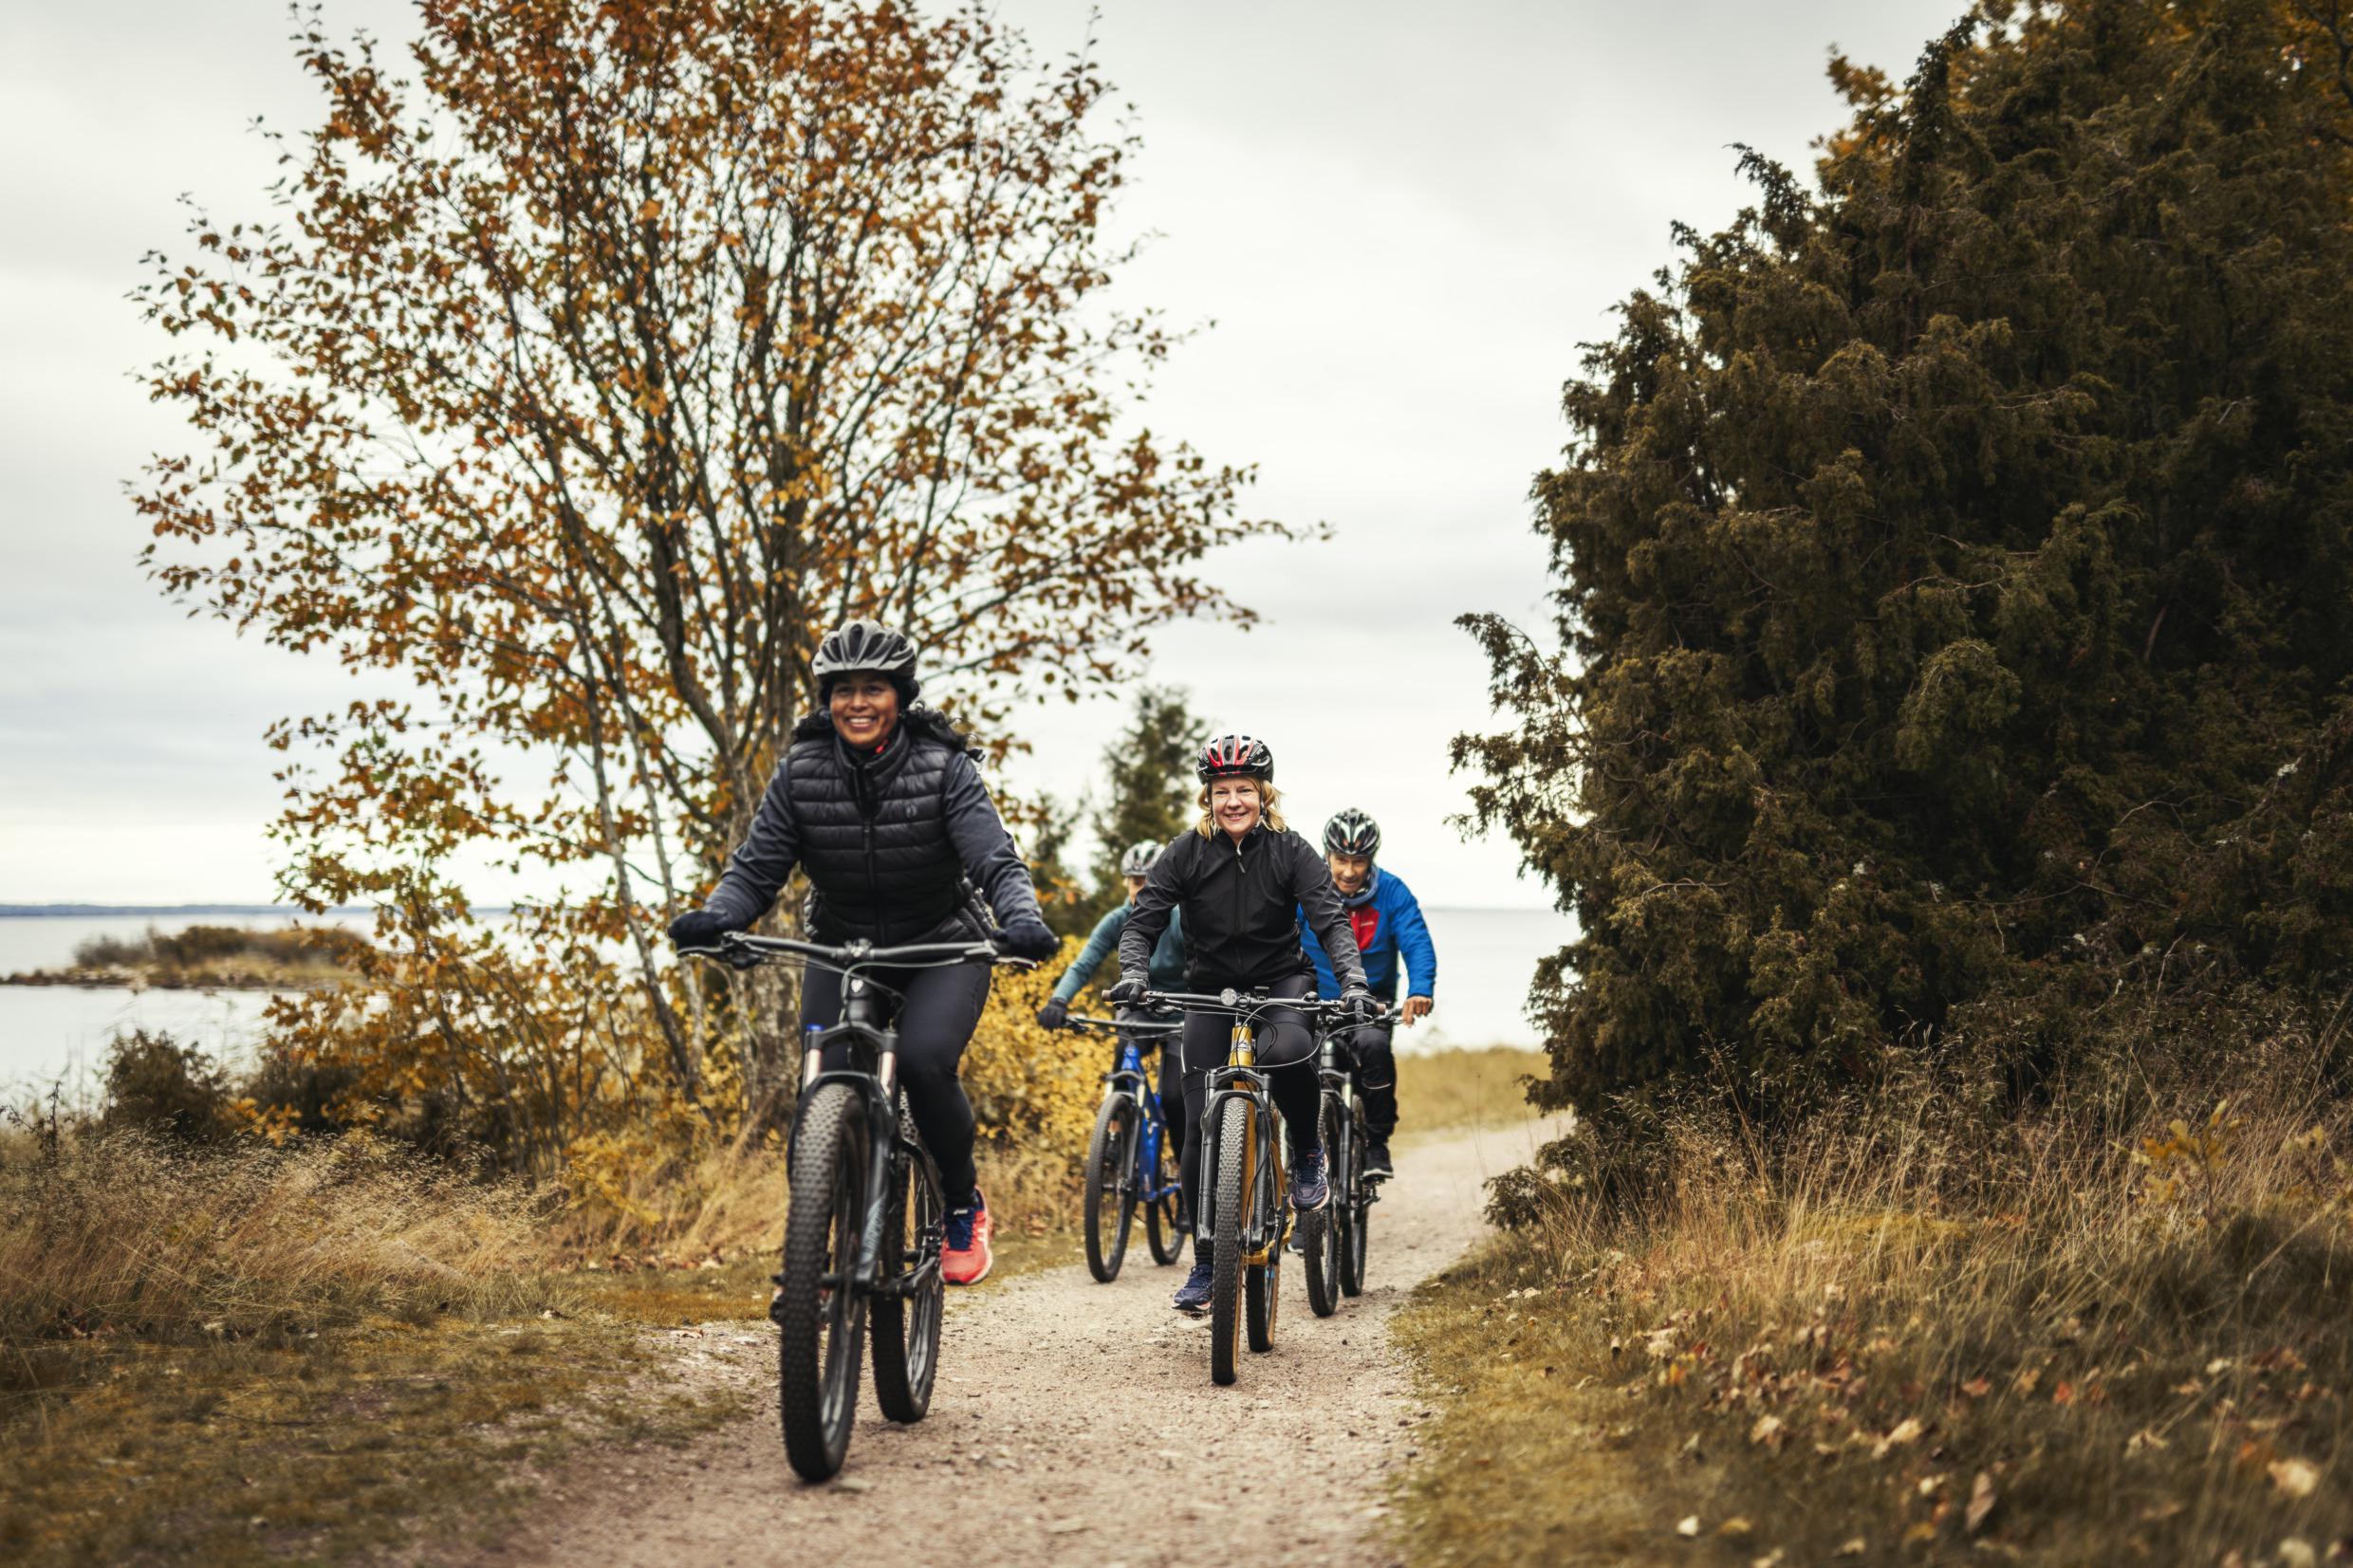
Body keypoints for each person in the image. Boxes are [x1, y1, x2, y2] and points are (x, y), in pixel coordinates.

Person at [667, 620, 1061, 1287]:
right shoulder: (802, 771)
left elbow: (995, 858)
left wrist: (1021, 919)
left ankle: (963, 1202)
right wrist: (719, 916)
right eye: (843, 689)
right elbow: (757, 867)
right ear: (827, 699)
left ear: (898, 696)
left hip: (943, 945)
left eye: (872, 688)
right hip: (843, 945)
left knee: (924, 1060)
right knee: (820, 1079)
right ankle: (812, 1242)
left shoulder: (944, 768)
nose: (856, 702)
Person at [1108, 734, 1374, 1313]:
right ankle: (1207, 1264)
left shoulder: (1290, 850)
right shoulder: (1185, 852)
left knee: (1290, 1051)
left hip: (1282, 983)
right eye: (1222, 790)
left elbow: (1331, 923)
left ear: (1263, 794)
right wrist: (1134, 972)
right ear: (1208, 797)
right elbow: (1142, 924)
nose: (1233, 801)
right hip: (1210, 990)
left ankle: (1306, 1151)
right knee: (1199, 1119)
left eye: (1244, 790)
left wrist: (1352, 981)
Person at [1036, 842, 1192, 1208]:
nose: (1139, 888)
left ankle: (1189, 1182)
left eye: (1147, 880)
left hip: (1179, 1014)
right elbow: (1083, 963)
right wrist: (1059, 1000)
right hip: (1136, 1010)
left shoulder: (1180, 918)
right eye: (1133, 881)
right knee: (1123, 1061)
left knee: (1173, 1096)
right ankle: (1118, 1132)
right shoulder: (1117, 920)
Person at [1297, 808, 1436, 1179]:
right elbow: (1274, 933)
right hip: (1313, 1001)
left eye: (1358, 862)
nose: (1348, 871)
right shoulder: (1305, 889)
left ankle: (1376, 1144)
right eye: (1341, 860)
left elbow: (1416, 941)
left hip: (1370, 1005)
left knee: (1374, 1050)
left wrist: (1419, 989)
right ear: (1327, 855)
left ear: (1370, 860)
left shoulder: (1392, 892)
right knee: (1288, 1063)